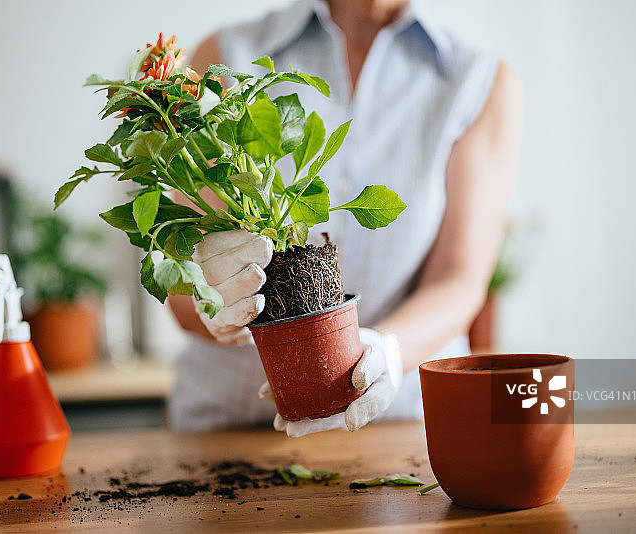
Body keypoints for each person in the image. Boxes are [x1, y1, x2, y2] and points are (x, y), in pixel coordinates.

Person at [167, 0, 522, 436]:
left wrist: (386, 351)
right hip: (230, 430)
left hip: (394, 429)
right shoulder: (226, 55)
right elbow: (181, 281)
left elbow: (460, 280)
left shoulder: (476, 81)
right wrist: (212, 302)